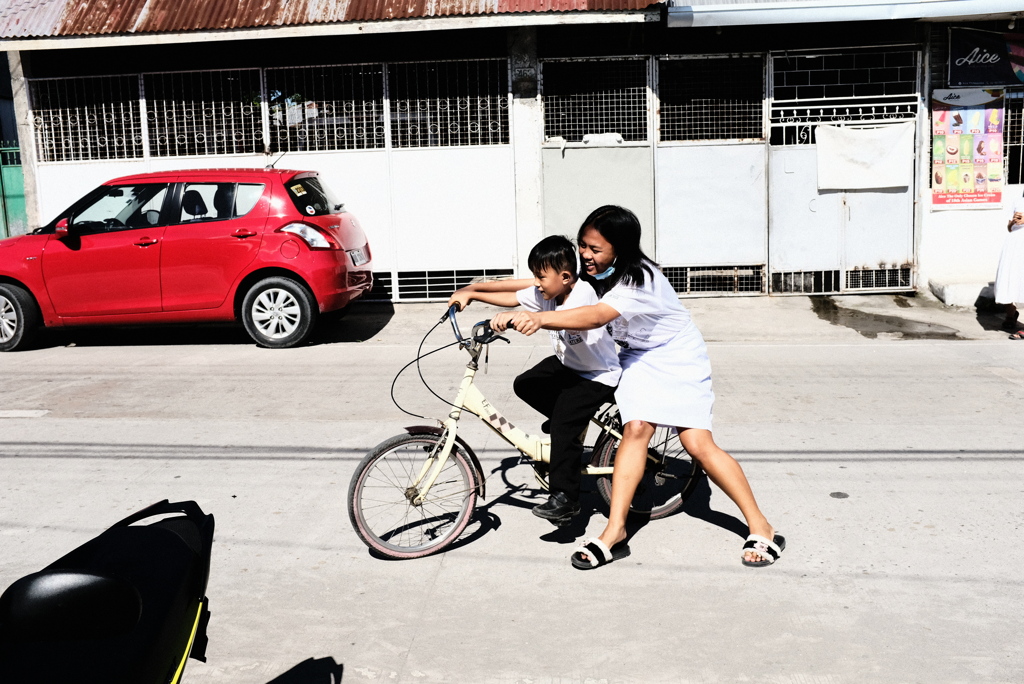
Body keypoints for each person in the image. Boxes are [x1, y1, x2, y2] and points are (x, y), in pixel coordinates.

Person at [501, 206, 783, 570]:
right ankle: (615, 531)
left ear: (620, 248)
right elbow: (531, 287)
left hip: (677, 355)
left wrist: (539, 319)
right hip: (638, 356)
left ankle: (761, 526)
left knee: (696, 443)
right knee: (635, 430)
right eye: (583, 245)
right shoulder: (597, 272)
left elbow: (597, 316)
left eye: (595, 249)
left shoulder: (639, 279)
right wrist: (475, 290)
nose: (585, 255)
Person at [448, 235, 621, 525]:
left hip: (599, 374)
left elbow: (577, 318)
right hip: (570, 364)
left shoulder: (583, 295)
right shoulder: (548, 293)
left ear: (566, 277)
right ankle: (564, 427)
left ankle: (566, 500)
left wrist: (530, 318)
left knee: (565, 420)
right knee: (526, 384)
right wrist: (472, 293)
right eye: (535, 277)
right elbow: (512, 295)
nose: (537, 283)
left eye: (541, 276)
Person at [996, 198, 1024, 339]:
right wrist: (1013, 222)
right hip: (1014, 245)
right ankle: (1011, 314)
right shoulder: (1018, 201)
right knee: (1009, 279)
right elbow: (1009, 228)